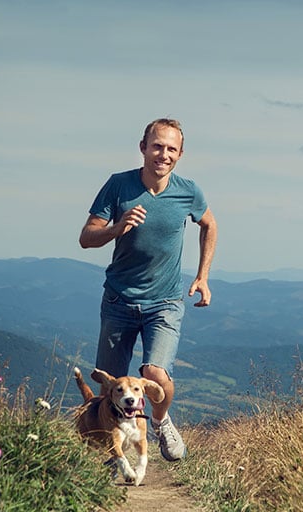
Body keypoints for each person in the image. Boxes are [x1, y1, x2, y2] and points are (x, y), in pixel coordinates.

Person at [79, 118, 217, 461]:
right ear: (143, 147)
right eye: (157, 146)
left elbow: (210, 224)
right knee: (110, 385)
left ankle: (160, 421)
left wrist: (203, 276)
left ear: (180, 154)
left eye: (171, 149)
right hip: (118, 299)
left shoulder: (189, 191)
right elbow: (86, 238)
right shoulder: (118, 185)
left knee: (154, 374)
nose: (163, 154)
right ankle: (115, 456)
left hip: (165, 302)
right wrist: (117, 228)